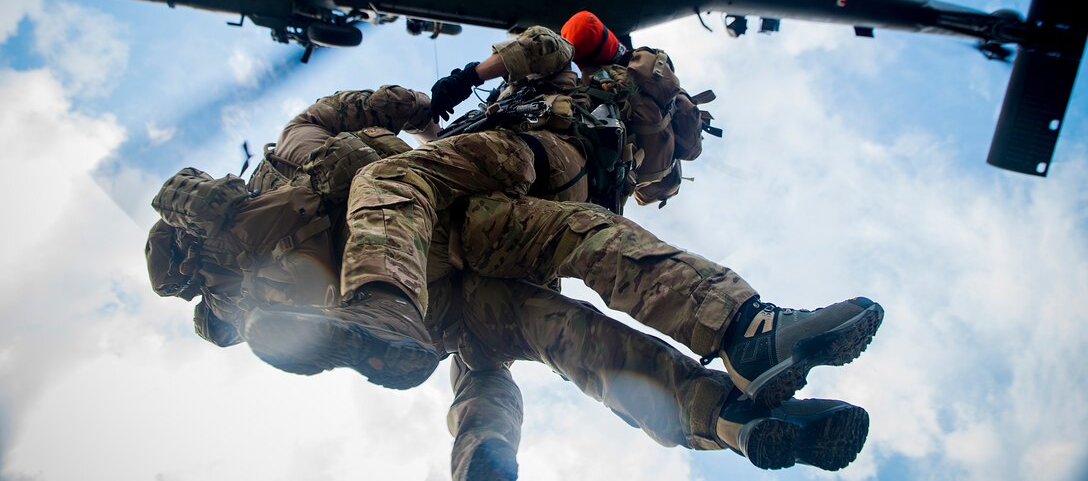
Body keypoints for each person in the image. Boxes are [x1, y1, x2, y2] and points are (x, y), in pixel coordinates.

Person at [146, 85, 872, 477]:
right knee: (573, 287)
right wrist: (421, 105)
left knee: (546, 335)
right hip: (432, 255)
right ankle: (742, 367)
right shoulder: (278, 184)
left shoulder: (248, 242)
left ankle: (729, 408)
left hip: (430, 269)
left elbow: (362, 110)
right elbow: (364, 108)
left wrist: (427, 104)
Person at [245, 13, 885, 413]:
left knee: (396, 179)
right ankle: (737, 385)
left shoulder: (580, 77)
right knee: (555, 324)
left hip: (524, 156)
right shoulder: (650, 142)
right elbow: (653, 191)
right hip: (538, 211)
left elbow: (558, 38)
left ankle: (386, 310)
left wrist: (470, 76)